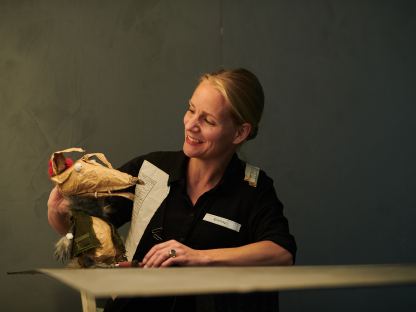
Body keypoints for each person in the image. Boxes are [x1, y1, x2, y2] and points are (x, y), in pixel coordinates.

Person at [48, 68, 297, 311]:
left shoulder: (253, 188)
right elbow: (87, 244)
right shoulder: (149, 171)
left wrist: (200, 257)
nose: (191, 125)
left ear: (240, 132)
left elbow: (281, 253)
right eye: (191, 110)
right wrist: (59, 214)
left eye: (208, 120)